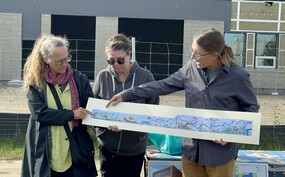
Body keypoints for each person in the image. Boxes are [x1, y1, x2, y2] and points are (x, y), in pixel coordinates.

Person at [106, 28, 260, 177]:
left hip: (220, 156)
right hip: (191, 152)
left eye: (198, 54)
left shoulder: (238, 76)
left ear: (214, 55)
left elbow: (251, 108)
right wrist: (128, 94)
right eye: (192, 51)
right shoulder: (191, 68)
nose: (193, 57)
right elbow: (163, 85)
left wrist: (231, 134)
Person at [21, 34, 97, 177]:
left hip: (75, 152)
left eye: (66, 59)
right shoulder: (36, 83)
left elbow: (91, 110)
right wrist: (72, 114)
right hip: (47, 152)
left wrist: (109, 121)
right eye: (59, 61)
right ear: (46, 59)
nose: (65, 64)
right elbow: (40, 113)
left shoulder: (80, 80)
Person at [93, 33, 159, 177]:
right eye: (111, 61)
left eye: (120, 60)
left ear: (129, 55)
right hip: (108, 147)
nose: (116, 65)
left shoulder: (145, 76)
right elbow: (93, 109)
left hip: (135, 147)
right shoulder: (103, 76)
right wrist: (104, 123)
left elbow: (153, 109)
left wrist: (138, 125)